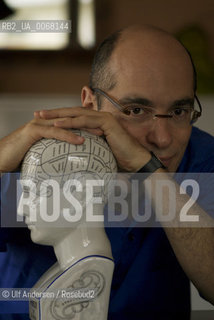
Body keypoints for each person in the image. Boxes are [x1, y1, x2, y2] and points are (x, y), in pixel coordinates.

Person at [0, 24, 214, 320]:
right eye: (136, 110)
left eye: (179, 112)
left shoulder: (200, 158)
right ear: (90, 103)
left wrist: (148, 169)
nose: (163, 139)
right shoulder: (42, 158)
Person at [17, 131, 116, 320]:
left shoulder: (86, 271)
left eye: (32, 192)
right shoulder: (65, 269)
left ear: (81, 193)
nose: (21, 208)